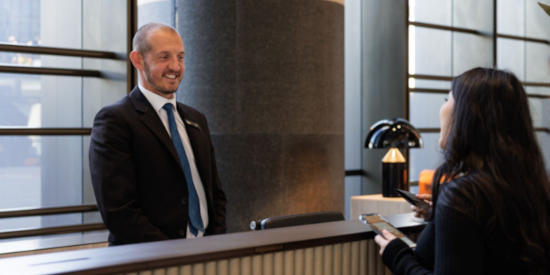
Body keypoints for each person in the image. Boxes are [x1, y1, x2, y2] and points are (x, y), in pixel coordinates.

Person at [374, 67, 550, 274]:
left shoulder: (464, 196)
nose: (442, 108)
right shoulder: (532, 188)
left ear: (469, 115)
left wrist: (398, 256)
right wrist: (439, 214)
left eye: (446, 99)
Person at [89, 23, 226, 245]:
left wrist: (213, 245)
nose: (175, 66)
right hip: (150, 260)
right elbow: (118, 211)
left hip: (205, 255)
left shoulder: (197, 119)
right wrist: (171, 255)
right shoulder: (115, 121)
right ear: (137, 60)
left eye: (180, 57)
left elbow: (216, 195)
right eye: (164, 57)